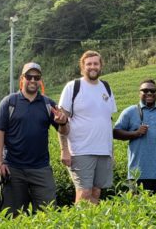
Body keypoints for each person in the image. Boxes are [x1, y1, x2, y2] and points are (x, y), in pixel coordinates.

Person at [0, 62, 69, 215]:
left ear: (40, 80)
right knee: (12, 215)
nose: (33, 80)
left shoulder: (48, 104)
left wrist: (63, 122)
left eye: (37, 77)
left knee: (48, 213)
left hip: (41, 168)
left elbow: (64, 131)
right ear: (22, 78)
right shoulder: (9, 102)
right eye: (29, 76)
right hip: (13, 168)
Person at [58, 50, 117, 204]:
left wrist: (112, 152)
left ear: (101, 66)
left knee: (96, 193)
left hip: (103, 151)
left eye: (95, 63)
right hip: (81, 150)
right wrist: (64, 150)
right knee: (84, 193)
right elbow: (62, 121)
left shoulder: (106, 87)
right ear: (82, 67)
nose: (92, 67)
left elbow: (107, 121)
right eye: (89, 64)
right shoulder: (73, 87)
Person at [113, 79, 156, 195]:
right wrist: (136, 133)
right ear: (139, 93)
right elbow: (116, 132)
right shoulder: (129, 112)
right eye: (145, 90)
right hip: (137, 173)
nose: (149, 93)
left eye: (152, 90)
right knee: (139, 210)